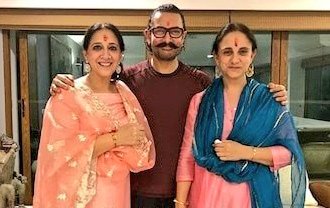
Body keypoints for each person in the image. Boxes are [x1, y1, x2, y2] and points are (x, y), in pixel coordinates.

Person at [49, 4, 288, 208]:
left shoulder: (201, 85)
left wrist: (271, 94)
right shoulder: (125, 83)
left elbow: (234, 99)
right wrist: (62, 82)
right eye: (160, 30)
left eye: (174, 32)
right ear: (147, 34)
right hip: (134, 193)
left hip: (189, 192)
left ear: (184, 36)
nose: (167, 39)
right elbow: (94, 94)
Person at [175, 22, 306, 208]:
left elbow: (289, 154)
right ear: (217, 57)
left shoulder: (268, 99)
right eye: (227, 52)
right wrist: (180, 202)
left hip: (251, 196)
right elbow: (187, 156)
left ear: (252, 55)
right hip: (205, 195)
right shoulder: (200, 101)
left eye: (242, 52)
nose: (235, 59)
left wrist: (245, 152)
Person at [33, 23, 155, 208]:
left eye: (112, 48)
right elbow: (59, 155)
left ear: (120, 55)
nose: (105, 55)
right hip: (82, 197)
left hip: (118, 190)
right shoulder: (67, 95)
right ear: (86, 54)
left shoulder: (125, 93)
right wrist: (116, 138)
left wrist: (128, 140)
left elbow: (140, 142)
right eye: (97, 47)